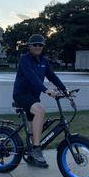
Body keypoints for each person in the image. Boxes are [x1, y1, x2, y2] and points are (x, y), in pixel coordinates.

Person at [13, 34, 69, 168]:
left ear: (43, 46)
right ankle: (37, 149)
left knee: (36, 125)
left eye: (40, 45)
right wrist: (46, 90)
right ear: (30, 46)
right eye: (35, 44)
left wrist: (65, 90)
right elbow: (32, 77)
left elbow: (52, 76)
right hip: (21, 95)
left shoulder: (44, 60)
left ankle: (33, 155)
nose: (38, 47)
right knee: (40, 110)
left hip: (33, 97)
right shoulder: (24, 60)